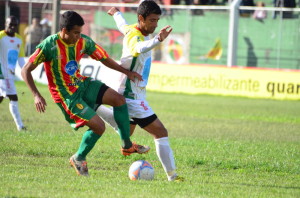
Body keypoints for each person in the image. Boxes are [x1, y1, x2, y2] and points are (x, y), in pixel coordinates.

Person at [21, 10, 150, 177]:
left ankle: (126, 145)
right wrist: (36, 95)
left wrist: (126, 72)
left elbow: (104, 58)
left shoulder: (82, 41)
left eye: (80, 32)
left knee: (118, 99)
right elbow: (25, 70)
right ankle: (78, 158)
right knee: (98, 127)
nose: (78, 37)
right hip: (67, 95)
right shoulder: (49, 45)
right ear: (64, 30)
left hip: (82, 83)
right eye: (75, 33)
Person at [102, 1, 183, 182]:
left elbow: (122, 24)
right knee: (160, 132)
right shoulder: (136, 38)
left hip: (129, 92)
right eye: (152, 20)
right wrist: (158, 40)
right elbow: (139, 48)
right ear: (141, 18)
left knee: (126, 130)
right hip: (131, 95)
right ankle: (173, 177)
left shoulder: (132, 29)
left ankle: (94, 106)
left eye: (157, 20)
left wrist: (116, 13)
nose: (155, 25)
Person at [0, 16, 26, 131]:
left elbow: (20, 58)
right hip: (2, 74)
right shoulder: (1, 36)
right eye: (10, 24)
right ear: (5, 24)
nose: (12, 27)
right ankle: (20, 126)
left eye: (15, 25)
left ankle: (20, 126)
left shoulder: (19, 39)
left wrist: (25, 70)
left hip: (9, 74)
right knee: (13, 98)